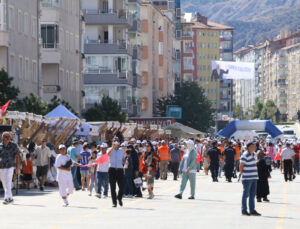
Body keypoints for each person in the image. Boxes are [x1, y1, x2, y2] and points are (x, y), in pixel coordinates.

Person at [240, 142, 261, 216]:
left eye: (255, 146)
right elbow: (241, 165)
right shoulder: (245, 155)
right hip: (247, 178)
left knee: (252, 195)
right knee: (246, 195)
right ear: (249, 147)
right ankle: (244, 210)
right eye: (253, 146)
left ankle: (252, 210)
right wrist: (242, 174)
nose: (255, 147)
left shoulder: (254, 154)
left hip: (254, 177)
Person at [0, 132, 21, 205]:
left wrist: (18, 167)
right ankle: (11, 198)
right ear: (3, 138)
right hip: (1, 167)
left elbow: (17, 156)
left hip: (10, 166)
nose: (8, 138)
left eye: (9, 136)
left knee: (8, 182)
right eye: (6, 136)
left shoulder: (13, 145)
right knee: (4, 183)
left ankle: (6, 198)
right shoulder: (0, 146)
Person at [108, 141, 125, 207]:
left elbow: (123, 158)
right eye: (114, 144)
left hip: (120, 169)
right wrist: (112, 148)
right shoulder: (110, 149)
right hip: (112, 169)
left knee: (121, 186)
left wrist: (124, 162)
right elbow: (107, 155)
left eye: (117, 144)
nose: (116, 145)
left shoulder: (121, 150)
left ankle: (119, 198)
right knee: (113, 187)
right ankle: (114, 202)